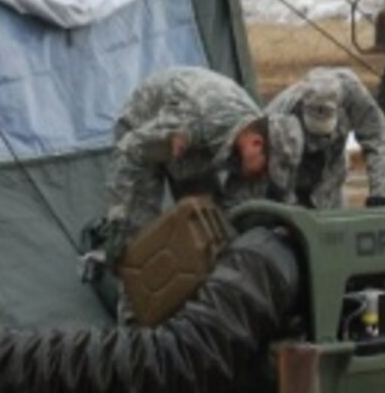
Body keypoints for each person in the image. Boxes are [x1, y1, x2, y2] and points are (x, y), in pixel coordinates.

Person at [98, 65, 270, 267]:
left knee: (207, 227)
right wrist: (120, 216)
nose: (263, 174)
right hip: (144, 131)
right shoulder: (192, 121)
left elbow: (237, 204)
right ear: (256, 143)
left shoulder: (250, 131)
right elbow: (130, 152)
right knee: (136, 239)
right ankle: (128, 284)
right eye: (265, 168)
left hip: (195, 141)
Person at [264, 66, 385, 209]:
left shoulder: (356, 99)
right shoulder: (279, 114)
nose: (318, 141)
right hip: (293, 171)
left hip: (331, 173)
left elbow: (378, 140)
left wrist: (382, 195)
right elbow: (272, 175)